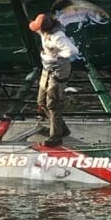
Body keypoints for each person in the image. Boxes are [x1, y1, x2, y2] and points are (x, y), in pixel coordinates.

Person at [29, 12, 79, 147]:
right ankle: (61, 128)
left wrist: (58, 55)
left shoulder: (58, 37)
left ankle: (56, 136)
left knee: (53, 103)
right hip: (47, 68)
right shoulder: (43, 32)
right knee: (41, 101)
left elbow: (73, 51)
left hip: (58, 70)